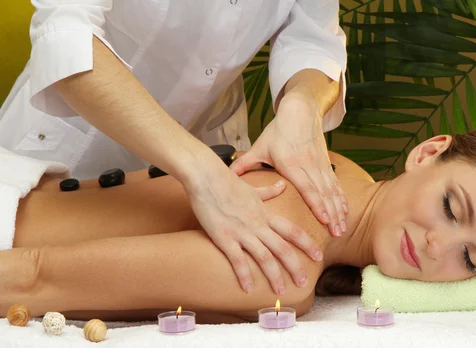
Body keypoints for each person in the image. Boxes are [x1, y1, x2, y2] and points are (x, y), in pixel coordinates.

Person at [0, 129, 476, 323]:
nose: (439, 244)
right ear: (428, 153)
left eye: (472, 263)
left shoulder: (334, 167)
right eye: (452, 208)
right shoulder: (287, 260)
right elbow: (32, 279)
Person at [0, 1, 348, 295]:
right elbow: (66, 36)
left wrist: (302, 106)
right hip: (66, 152)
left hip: (208, 177)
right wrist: (201, 172)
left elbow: (313, 40)